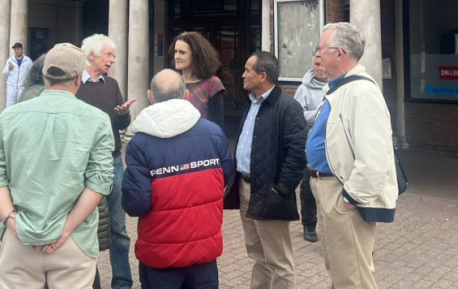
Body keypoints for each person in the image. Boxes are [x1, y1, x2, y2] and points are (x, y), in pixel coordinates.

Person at [0, 42, 114, 289]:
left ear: (44, 75)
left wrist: (13, 223)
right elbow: (100, 181)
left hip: (19, 237)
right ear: (78, 79)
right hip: (74, 238)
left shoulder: (8, 117)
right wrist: (67, 228)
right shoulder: (97, 120)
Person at [122, 69, 234, 289]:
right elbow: (225, 178)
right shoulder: (214, 133)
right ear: (185, 96)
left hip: (161, 254)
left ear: (150, 96)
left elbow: (136, 204)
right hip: (203, 250)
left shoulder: (139, 143)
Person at [308, 22, 398, 289]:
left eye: (322, 49)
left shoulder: (361, 92)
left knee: (353, 277)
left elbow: (374, 158)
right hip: (328, 190)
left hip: (342, 195)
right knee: (339, 270)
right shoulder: (341, 87)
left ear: (340, 53)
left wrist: (349, 199)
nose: (318, 55)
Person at [236, 51, 307, 289]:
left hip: (270, 193)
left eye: (248, 70)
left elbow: (297, 154)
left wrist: (280, 190)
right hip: (246, 189)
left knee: (279, 261)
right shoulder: (250, 103)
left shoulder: (288, 107)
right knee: (258, 255)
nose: (243, 75)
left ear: (262, 75)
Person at [76, 34, 137, 289]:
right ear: (91, 55)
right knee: (83, 228)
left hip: (113, 163)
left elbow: (121, 125)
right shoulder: (74, 85)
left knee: (119, 230)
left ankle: (122, 283)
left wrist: (124, 115)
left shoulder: (111, 84)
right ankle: (90, 282)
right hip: (83, 166)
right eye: (108, 55)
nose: (113, 60)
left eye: (113, 55)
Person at [293, 52, 329, 243]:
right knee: (307, 185)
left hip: (332, 145)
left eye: (322, 64)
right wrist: (321, 114)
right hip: (311, 145)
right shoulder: (304, 89)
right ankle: (309, 224)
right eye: (316, 64)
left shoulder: (335, 86)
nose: (319, 68)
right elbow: (298, 116)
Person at [172, 31, 226, 129]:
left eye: (182, 52)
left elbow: (217, 124)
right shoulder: (172, 82)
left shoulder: (212, 83)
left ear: (196, 55)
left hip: (202, 140)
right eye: (175, 51)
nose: (176, 56)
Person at [2, 42, 33, 108]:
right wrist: (8, 69)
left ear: (21, 49)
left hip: (22, 87)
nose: (16, 51)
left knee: (22, 105)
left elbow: (32, 73)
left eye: (18, 49)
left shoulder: (28, 61)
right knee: (10, 106)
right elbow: (4, 73)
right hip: (11, 87)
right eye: (15, 49)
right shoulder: (10, 60)